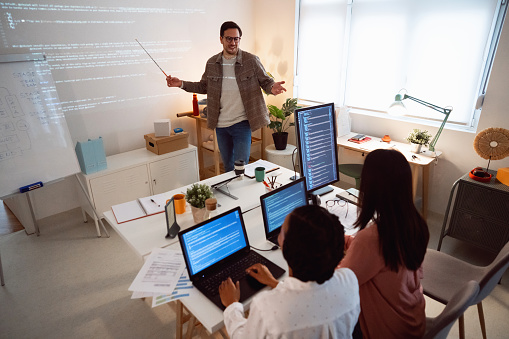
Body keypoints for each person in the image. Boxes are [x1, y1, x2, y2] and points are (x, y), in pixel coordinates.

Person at [218, 205, 360, 338]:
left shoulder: (267, 309)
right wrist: (274, 282)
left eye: (282, 230)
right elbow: (309, 297)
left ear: (286, 249)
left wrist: (232, 306)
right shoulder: (349, 281)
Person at [166, 21, 286, 172]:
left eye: (236, 39)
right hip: (221, 125)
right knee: (228, 168)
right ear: (221, 39)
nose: (233, 43)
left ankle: (243, 194)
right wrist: (181, 84)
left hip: (242, 123)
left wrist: (272, 87)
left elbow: (266, 81)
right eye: (229, 38)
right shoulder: (212, 63)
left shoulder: (251, 60)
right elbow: (203, 86)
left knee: (241, 167)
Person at [340, 149, 430, 338]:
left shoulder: (372, 239)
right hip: (411, 320)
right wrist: (351, 244)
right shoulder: (415, 224)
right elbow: (382, 260)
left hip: (384, 329)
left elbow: (339, 286)